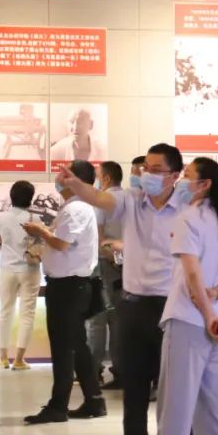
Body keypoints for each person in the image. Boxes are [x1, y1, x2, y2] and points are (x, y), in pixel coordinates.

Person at [58, 143, 197, 435]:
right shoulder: (131, 200)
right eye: (144, 168)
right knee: (133, 399)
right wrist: (76, 183)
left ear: (175, 175)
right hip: (133, 308)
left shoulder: (188, 208)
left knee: (177, 400)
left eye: (155, 169)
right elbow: (100, 198)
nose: (146, 175)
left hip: (172, 310)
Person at [121, 157, 218, 435]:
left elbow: (191, 276)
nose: (181, 182)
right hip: (214, 327)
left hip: (189, 322)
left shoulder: (187, 219)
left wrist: (205, 313)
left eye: (187, 176)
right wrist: (214, 306)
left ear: (204, 185)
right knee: (214, 414)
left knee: (173, 413)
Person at [21, 160, 104, 424]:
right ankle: (94, 400)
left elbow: (62, 244)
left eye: (63, 174)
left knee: (63, 348)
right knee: (76, 346)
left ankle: (58, 406)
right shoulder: (73, 207)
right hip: (68, 285)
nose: (58, 178)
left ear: (75, 180)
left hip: (69, 287)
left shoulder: (77, 208)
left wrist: (40, 231)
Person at [0, 180, 41, 371]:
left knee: (5, 312)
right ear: (30, 198)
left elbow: (0, 241)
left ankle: (2, 358)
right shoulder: (35, 219)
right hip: (30, 269)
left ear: (11, 196)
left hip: (6, 268)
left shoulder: (1, 218)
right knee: (27, 314)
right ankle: (19, 360)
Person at [89, 161, 126, 388]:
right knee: (119, 320)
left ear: (107, 178)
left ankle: (93, 371)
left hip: (106, 264)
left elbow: (100, 238)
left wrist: (113, 257)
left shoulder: (103, 202)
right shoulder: (131, 199)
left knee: (98, 320)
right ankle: (120, 371)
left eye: (98, 176)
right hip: (127, 264)